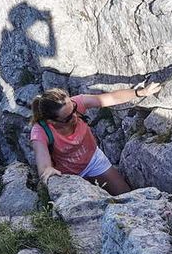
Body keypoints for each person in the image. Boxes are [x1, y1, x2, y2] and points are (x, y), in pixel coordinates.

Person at [30, 83, 161, 196]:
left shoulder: (76, 103)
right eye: (68, 118)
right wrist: (47, 171)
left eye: (74, 109)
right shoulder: (41, 131)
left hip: (93, 160)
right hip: (68, 175)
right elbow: (44, 165)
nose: (75, 117)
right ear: (51, 121)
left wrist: (141, 92)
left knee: (125, 194)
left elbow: (111, 98)